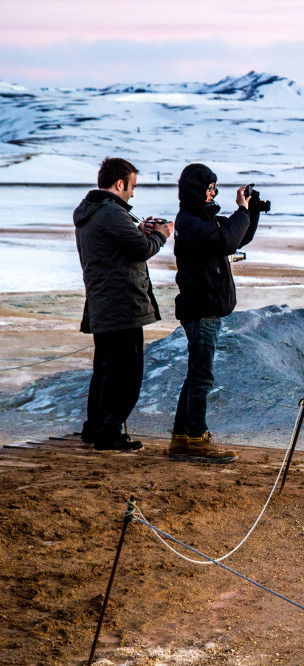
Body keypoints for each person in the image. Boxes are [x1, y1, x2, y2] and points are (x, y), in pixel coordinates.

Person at [74, 157, 173, 452]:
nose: (133, 193)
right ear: (120, 184)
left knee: (105, 371)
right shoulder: (112, 214)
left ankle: (95, 428)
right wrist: (160, 235)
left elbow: (122, 245)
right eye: (132, 187)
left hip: (103, 304)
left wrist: (139, 230)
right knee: (126, 375)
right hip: (122, 306)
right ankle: (108, 433)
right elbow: (142, 249)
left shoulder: (91, 212)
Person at [169, 164, 259, 463]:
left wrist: (251, 211)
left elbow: (238, 237)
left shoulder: (200, 220)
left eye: (214, 189)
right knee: (202, 378)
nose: (213, 194)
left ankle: (182, 438)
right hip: (201, 311)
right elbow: (227, 240)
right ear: (196, 190)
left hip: (205, 310)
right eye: (209, 189)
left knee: (195, 376)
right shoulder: (192, 222)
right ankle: (197, 439)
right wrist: (242, 212)